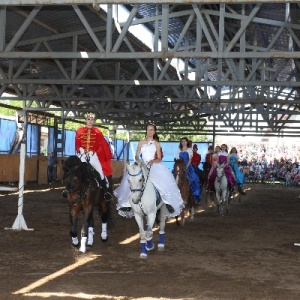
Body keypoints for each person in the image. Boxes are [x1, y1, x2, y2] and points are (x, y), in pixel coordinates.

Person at [114, 123, 184, 218]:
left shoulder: (156, 143)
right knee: (132, 180)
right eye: (148, 129)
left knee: (161, 182)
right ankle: (127, 204)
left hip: (154, 165)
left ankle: (167, 202)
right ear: (146, 131)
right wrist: (138, 160)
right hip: (142, 164)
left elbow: (159, 158)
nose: (150, 131)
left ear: (154, 131)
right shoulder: (141, 142)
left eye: (151, 130)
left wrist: (153, 161)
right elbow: (136, 155)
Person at [74, 112, 113, 200]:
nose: (90, 121)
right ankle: (69, 189)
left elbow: (99, 142)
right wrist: (80, 149)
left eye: (92, 120)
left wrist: (93, 150)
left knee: (100, 171)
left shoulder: (98, 131)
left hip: (93, 155)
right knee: (74, 171)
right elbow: (77, 142)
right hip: (82, 155)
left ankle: (105, 190)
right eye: (88, 119)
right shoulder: (80, 130)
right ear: (85, 120)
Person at [176, 137, 201, 203]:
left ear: (187, 142)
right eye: (182, 141)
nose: (183, 142)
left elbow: (190, 159)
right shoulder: (179, 149)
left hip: (188, 166)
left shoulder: (189, 150)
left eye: (184, 141)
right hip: (180, 166)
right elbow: (177, 158)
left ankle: (193, 193)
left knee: (194, 178)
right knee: (174, 176)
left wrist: (186, 166)